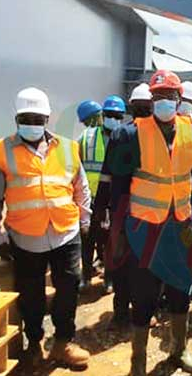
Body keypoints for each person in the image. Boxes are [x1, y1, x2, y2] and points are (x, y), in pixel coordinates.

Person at [94, 70, 192, 376]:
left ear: (179, 100)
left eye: (170, 97)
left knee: (180, 291)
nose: (164, 103)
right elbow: (118, 189)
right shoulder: (129, 135)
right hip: (145, 230)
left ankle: (179, 349)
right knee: (143, 297)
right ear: (149, 100)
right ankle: (138, 362)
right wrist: (116, 232)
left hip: (181, 228)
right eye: (158, 98)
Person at [0, 87, 91, 369]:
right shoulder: (1, 151)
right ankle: (34, 344)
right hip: (25, 237)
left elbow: (81, 187)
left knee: (68, 288)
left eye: (37, 118)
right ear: (16, 119)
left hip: (66, 232)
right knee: (31, 293)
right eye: (25, 118)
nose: (32, 124)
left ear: (47, 118)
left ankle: (63, 344)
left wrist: (85, 219)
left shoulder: (68, 147)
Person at [96, 95, 133, 328]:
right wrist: (100, 207)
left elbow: (105, 177)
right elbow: (106, 177)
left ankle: (126, 312)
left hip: (134, 213)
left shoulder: (123, 135)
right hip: (126, 213)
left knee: (126, 264)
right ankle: (123, 312)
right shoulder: (123, 135)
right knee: (124, 263)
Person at [76, 100, 106, 290]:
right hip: (101, 199)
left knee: (90, 240)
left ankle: (88, 275)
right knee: (100, 239)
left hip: (91, 199)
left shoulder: (82, 139)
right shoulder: (86, 139)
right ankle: (96, 273)